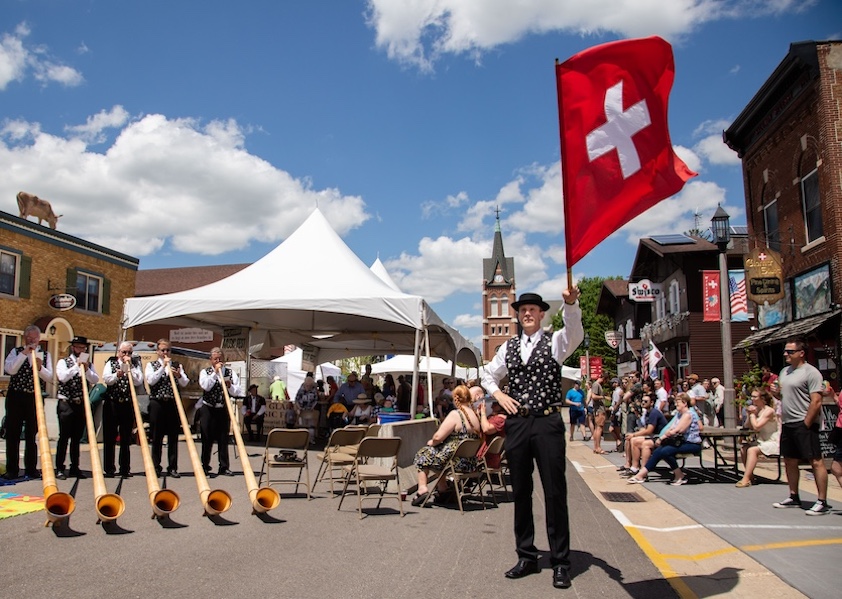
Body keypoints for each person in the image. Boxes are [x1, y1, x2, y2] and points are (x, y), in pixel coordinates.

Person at [480, 289, 583, 590]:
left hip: (547, 421)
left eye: (533, 309)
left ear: (541, 315)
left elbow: (575, 332)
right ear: (518, 314)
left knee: (554, 491)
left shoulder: (555, 341)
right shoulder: (509, 347)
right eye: (523, 309)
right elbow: (487, 375)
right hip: (519, 424)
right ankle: (526, 556)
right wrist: (498, 393)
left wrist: (571, 303)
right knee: (521, 491)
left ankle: (561, 562)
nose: (527, 313)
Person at [771, 337, 832, 515]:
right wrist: (777, 394)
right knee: (789, 459)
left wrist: (806, 423)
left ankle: (822, 501)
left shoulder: (811, 372)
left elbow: (816, 401)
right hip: (788, 422)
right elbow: (785, 397)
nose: (785, 354)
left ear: (801, 353)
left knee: (815, 461)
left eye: (790, 351)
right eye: (785, 351)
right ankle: (793, 495)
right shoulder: (785, 372)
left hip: (804, 422)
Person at [411, 384, 482, 506]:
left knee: (423, 454)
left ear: (455, 398)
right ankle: (443, 489)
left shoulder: (456, 414)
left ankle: (422, 489)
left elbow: (438, 437)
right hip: (469, 462)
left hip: (455, 461)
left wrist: (431, 442)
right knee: (438, 457)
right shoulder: (475, 415)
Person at [2, 325, 52, 481]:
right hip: (16, 396)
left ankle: (31, 468)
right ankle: (12, 469)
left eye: (34, 338)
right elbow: (10, 369)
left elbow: (49, 377)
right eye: (29, 338)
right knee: (12, 433)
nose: (32, 341)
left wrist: (39, 367)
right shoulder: (16, 352)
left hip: (33, 397)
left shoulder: (44, 354)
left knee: (32, 433)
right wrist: (24, 354)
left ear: (39, 339)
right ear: (25, 338)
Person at [627, 393, 702, 486]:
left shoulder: (688, 415)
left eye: (678, 402)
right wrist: (666, 434)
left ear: (685, 403)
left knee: (665, 451)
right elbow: (671, 428)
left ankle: (678, 475)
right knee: (658, 451)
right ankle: (641, 475)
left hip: (692, 444)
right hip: (680, 442)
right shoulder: (679, 414)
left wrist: (662, 437)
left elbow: (678, 430)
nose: (675, 404)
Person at [55, 335, 99, 480]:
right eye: (78, 347)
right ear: (73, 348)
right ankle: (60, 468)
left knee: (76, 438)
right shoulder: (63, 362)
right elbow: (62, 377)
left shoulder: (89, 364)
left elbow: (95, 379)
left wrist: (86, 369)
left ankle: (75, 466)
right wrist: (76, 366)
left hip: (80, 404)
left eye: (83, 347)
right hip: (66, 403)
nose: (81, 349)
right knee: (64, 437)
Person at [145, 339, 189, 477]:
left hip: (172, 403)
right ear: (157, 351)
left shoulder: (177, 365)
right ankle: (156, 466)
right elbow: (151, 380)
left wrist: (178, 375)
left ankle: (172, 467)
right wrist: (162, 367)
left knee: (173, 436)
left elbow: (185, 382)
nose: (165, 352)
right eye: (163, 350)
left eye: (168, 350)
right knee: (156, 436)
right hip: (157, 402)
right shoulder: (151, 365)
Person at [101, 341, 143, 478]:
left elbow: (139, 381)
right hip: (112, 403)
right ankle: (109, 468)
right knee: (110, 437)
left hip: (127, 404)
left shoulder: (135, 365)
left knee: (126, 437)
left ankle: (125, 468)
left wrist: (130, 366)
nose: (126, 355)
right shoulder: (111, 363)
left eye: (129, 353)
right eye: (124, 352)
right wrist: (116, 375)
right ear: (119, 352)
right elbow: (106, 379)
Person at [198, 347, 242, 476]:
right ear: (211, 360)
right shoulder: (205, 372)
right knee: (207, 438)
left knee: (223, 438)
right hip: (208, 408)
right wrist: (215, 373)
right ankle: (205, 465)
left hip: (222, 407)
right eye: (215, 359)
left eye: (220, 359)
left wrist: (230, 386)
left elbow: (237, 391)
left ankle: (224, 466)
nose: (218, 361)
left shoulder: (230, 372)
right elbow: (205, 386)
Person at [735, 388, 780, 487]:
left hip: (772, 441)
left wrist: (752, 415)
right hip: (761, 441)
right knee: (744, 448)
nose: (752, 399)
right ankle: (750, 476)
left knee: (752, 450)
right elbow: (747, 426)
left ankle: (745, 479)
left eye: (755, 396)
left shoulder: (769, 411)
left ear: (762, 399)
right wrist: (749, 414)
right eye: (752, 396)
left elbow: (757, 426)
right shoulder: (757, 410)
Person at [617, 394, 667, 477]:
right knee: (629, 439)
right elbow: (645, 429)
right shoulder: (647, 413)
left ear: (651, 403)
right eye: (642, 401)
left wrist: (634, 435)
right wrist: (633, 434)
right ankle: (631, 465)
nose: (643, 403)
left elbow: (649, 430)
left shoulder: (654, 413)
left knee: (634, 440)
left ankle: (636, 467)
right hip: (653, 436)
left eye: (645, 401)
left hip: (660, 438)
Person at [477, 389, 507, 469]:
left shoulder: (501, 419)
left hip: (487, 456)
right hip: (485, 452)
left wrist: (483, 412)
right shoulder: (495, 417)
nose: (492, 406)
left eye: (495, 404)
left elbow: (486, 429)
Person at [295, 375, 319, 443]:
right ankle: (302, 439)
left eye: (310, 385)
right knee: (302, 425)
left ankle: (311, 439)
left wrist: (312, 407)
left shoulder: (314, 391)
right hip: (301, 410)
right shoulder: (301, 390)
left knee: (311, 426)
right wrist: (298, 408)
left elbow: (315, 400)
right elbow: (297, 399)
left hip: (310, 410)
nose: (308, 387)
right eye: (307, 385)